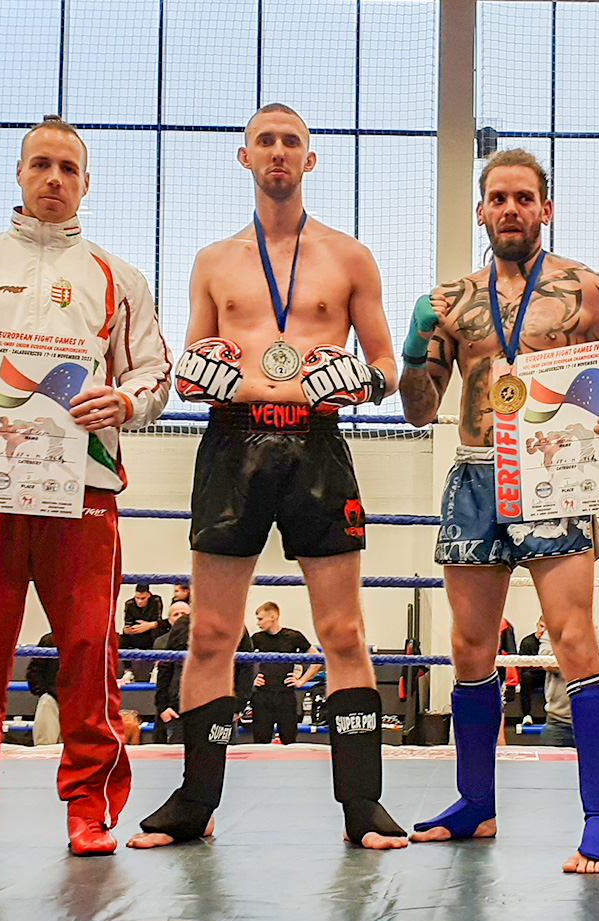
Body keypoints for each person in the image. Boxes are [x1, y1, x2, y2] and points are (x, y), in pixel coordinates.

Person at [0, 115, 172, 859]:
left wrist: (126, 401)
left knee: (87, 652)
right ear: (19, 174)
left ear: (86, 183)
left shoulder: (118, 277)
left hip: (83, 490)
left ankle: (89, 808)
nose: (54, 178)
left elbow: (153, 373)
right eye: (41, 164)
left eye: (68, 168)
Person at [133, 103, 402, 853]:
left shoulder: (349, 257)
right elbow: (189, 369)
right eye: (265, 142)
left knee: (343, 631)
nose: (278, 152)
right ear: (245, 157)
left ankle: (363, 805)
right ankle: (195, 803)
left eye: (291, 143)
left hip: (318, 445)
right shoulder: (214, 261)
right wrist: (221, 378)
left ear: (309, 160)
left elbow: (386, 364)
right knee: (211, 631)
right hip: (233, 446)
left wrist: (361, 381)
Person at [398, 147, 599, 874]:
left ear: (545, 208)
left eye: (523, 197)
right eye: (498, 198)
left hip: (554, 472)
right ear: (482, 210)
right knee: (471, 648)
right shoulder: (451, 302)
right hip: (477, 472)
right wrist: (414, 353)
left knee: (574, 641)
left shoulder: (588, 291)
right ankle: (475, 803)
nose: (511, 209)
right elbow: (418, 412)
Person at [539, 626, 599, 749]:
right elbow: (548, 663)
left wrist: (566, 660)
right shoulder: (551, 634)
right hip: (558, 721)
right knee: (552, 761)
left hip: (592, 721)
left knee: (595, 760)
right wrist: (588, 662)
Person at [246, 603, 311, 745]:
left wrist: (301, 680)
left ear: (273, 617)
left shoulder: (293, 636)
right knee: (261, 742)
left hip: (285, 695)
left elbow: (317, 659)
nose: (258, 623)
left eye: (261, 619)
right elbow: (241, 662)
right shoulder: (257, 638)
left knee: (289, 741)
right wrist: (252, 679)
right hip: (263, 695)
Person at [152, 600, 190, 744]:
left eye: (183, 614)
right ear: (169, 619)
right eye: (176, 614)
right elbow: (163, 674)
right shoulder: (161, 642)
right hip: (173, 707)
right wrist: (163, 708)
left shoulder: (204, 641)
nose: (180, 617)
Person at [120, 584, 168, 683]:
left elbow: (158, 620)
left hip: (151, 632)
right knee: (122, 638)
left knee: (158, 633)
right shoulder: (129, 603)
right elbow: (128, 622)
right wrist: (128, 629)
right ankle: (128, 671)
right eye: (137, 598)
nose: (139, 601)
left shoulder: (156, 601)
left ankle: (156, 668)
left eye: (143, 598)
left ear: (149, 595)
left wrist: (148, 625)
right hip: (136, 632)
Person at [25, 639, 60, 747]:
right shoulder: (49, 640)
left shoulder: (86, 640)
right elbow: (34, 671)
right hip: (53, 699)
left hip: (79, 701)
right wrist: (46, 692)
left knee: (78, 745)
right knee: (45, 744)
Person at [515, 618, 549, 726]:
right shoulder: (527, 642)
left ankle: (551, 715)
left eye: (547, 628)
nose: (543, 630)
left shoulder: (552, 644)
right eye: (541, 626)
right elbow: (523, 667)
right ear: (537, 625)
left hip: (547, 674)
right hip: (531, 676)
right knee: (526, 677)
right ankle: (526, 715)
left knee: (554, 677)